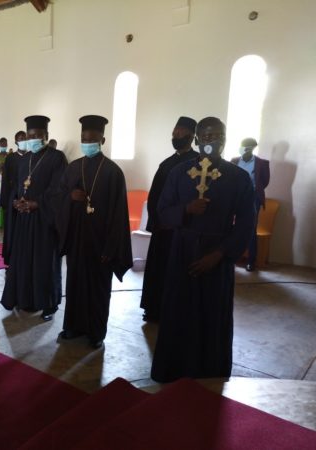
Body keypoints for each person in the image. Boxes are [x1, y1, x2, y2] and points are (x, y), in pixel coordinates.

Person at [150, 117, 255, 383]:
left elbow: (246, 223)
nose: (211, 142)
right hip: (182, 252)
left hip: (217, 255)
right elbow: (162, 213)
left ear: (225, 140)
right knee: (179, 311)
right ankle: (173, 369)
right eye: (206, 137)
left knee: (212, 314)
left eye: (217, 136)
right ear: (196, 140)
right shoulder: (178, 173)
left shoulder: (238, 178)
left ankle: (210, 373)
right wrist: (186, 209)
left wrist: (220, 254)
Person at [55, 115, 133, 348]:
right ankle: (72, 326)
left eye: (92, 139)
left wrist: (111, 247)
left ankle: (96, 332)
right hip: (77, 239)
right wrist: (70, 197)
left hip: (101, 242)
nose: (87, 143)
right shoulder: (73, 168)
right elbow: (58, 197)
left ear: (102, 140)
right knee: (75, 285)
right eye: (84, 139)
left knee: (98, 288)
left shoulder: (113, 172)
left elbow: (119, 214)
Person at [0, 116, 66, 320]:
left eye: (38, 135)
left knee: (44, 263)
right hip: (24, 218)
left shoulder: (57, 158)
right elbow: (18, 185)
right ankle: (24, 298)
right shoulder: (24, 159)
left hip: (45, 220)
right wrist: (16, 200)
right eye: (30, 136)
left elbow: (59, 189)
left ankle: (48, 304)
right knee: (24, 260)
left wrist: (36, 203)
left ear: (46, 136)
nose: (34, 139)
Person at [140, 116, 199, 323]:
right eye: (174, 132)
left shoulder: (199, 164)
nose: (175, 135)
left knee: (180, 271)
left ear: (191, 136)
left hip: (185, 230)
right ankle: (154, 308)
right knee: (159, 269)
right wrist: (157, 221)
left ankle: (177, 311)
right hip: (164, 228)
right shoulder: (166, 164)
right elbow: (154, 197)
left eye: (180, 132)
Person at [232, 137, 270, 271]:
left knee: (251, 228)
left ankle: (251, 261)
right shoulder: (234, 161)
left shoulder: (262, 163)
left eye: (248, 147)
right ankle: (232, 257)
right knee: (231, 226)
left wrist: (253, 190)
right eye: (243, 146)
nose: (244, 149)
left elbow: (264, 182)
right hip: (235, 197)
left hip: (253, 198)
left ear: (253, 148)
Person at [0, 130, 28, 264]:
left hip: (28, 197)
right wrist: (5, 202)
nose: (23, 141)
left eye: (25, 138)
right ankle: (11, 257)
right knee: (12, 228)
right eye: (20, 139)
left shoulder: (31, 156)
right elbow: (5, 180)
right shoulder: (10, 158)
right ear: (16, 142)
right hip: (13, 197)